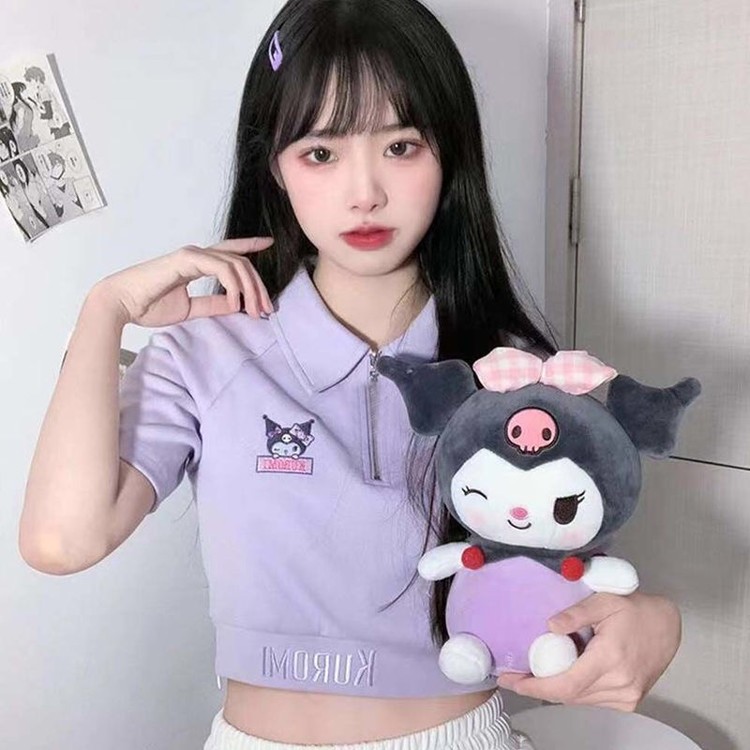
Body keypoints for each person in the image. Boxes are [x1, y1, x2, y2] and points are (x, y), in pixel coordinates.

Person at [19, 0, 682, 748]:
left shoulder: (512, 371)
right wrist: (104, 312)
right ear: (274, 166)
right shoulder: (203, 354)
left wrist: (657, 621)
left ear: (450, 153)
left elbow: (568, 583)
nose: (364, 192)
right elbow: (61, 542)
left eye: (400, 146)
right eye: (320, 153)